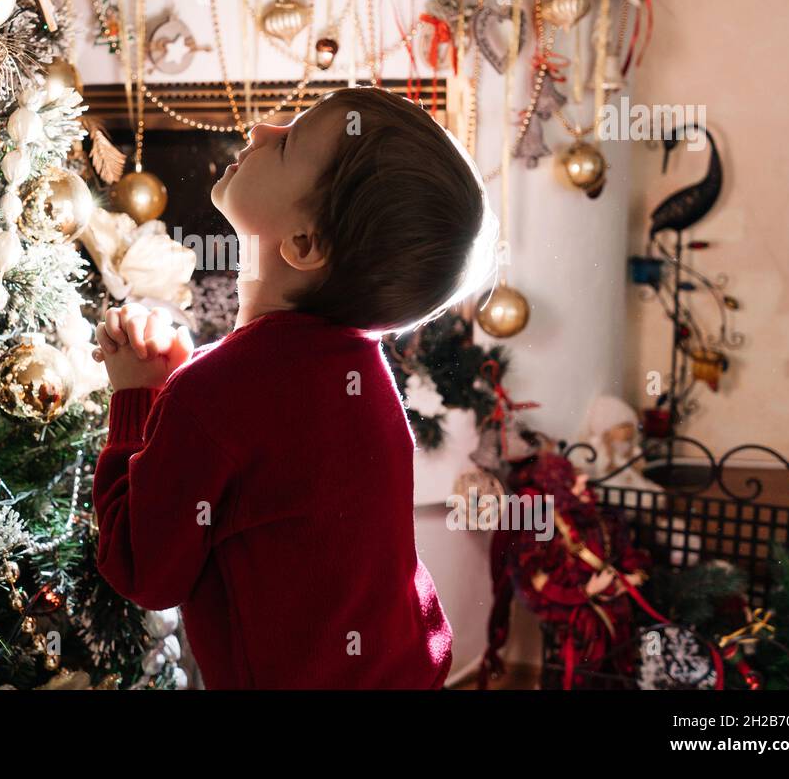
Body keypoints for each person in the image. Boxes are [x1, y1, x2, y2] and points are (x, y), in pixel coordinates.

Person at [92, 87, 499, 688]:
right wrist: (181, 380)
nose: (261, 128)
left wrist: (136, 398)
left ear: (304, 244)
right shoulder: (362, 371)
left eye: (288, 143)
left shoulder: (213, 396)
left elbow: (143, 570)